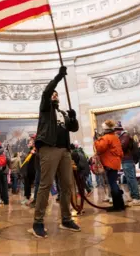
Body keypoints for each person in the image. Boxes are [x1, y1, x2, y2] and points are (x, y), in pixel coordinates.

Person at [31, 66, 80, 238]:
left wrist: (73, 118)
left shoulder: (62, 113)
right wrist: (59, 76)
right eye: (53, 94)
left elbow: (73, 128)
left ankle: (66, 218)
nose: (54, 95)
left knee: (67, 185)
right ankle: (38, 221)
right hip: (49, 148)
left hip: (64, 150)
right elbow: (46, 91)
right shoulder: (45, 109)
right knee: (45, 184)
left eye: (56, 94)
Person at [94, 120, 125, 212]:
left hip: (109, 162)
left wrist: (96, 140)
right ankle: (120, 205)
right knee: (113, 183)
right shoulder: (115, 137)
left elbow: (100, 148)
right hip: (115, 162)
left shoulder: (106, 137)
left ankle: (117, 206)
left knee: (112, 184)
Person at [115, 122, 140, 206]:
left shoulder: (125, 136)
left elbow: (122, 146)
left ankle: (137, 198)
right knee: (129, 179)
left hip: (128, 160)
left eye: (116, 130)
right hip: (125, 160)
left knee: (131, 179)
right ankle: (133, 196)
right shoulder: (122, 136)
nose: (115, 132)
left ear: (120, 130)